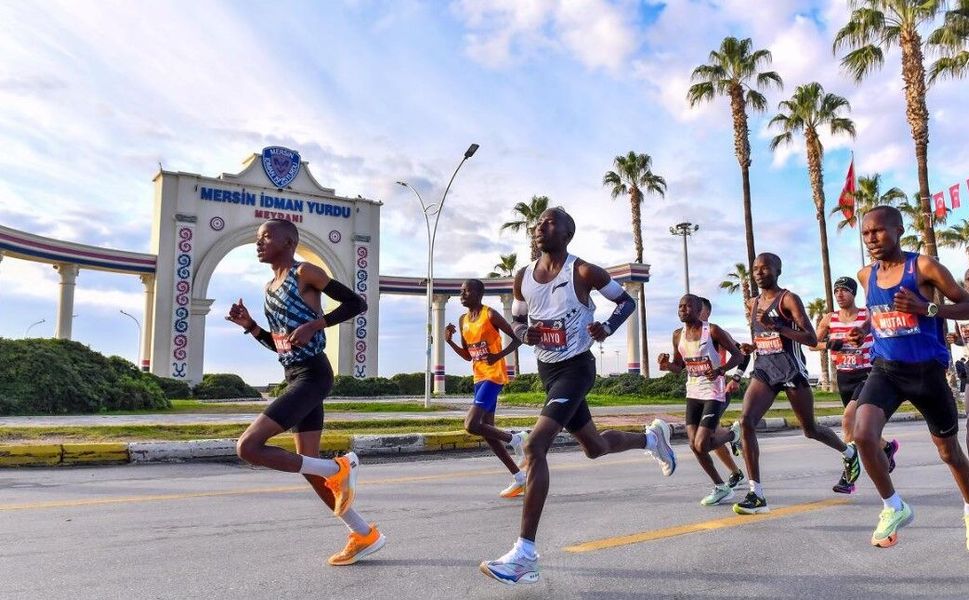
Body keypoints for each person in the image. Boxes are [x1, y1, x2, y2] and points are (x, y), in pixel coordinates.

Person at [479, 207, 676, 585]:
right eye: (538, 223)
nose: (541, 226)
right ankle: (652, 438)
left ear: (568, 233)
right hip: (548, 371)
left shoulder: (583, 272)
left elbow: (627, 303)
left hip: (577, 368)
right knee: (595, 447)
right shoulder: (523, 277)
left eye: (550, 222)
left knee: (535, 447)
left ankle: (524, 555)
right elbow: (518, 322)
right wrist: (523, 335)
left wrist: (606, 327)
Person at [225, 219, 382, 566]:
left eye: (266, 237)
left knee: (248, 447)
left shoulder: (305, 272)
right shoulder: (269, 288)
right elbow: (282, 344)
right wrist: (251, 326)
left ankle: (338, 468)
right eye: (257, 238)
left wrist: (317, 323)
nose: (259, 243)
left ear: (288, 241)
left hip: (314, 374)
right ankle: (363, 533)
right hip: (294, 373)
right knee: (311, 470)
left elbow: (357, 304)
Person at [847, 206, 969, 550]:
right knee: (862, 434)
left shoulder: (924, 267)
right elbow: (880, 313)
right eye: (866, 233)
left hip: (927, 372)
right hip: (886, 370)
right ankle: (894, 506)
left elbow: (966, 304)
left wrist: (927, 308)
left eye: (879, 231)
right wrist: (862, 330)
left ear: (899, 230)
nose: (872, 238)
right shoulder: (866, 276)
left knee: (950, 454)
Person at [731, 253, 859, 515]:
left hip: (791, 370)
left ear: (778, 270)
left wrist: (778, 326)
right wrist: (751, 346)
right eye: (755, 268)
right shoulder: (753, 303)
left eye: (765, 268)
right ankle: (757, 493)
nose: (758, 272)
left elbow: (811, 339)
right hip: (764, 370)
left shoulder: (788, 299)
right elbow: (763, 335)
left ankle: (848, 452)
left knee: (810, 429)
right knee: (745, 422)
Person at [810, 276, 899, 493]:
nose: (840, 294)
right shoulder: (829, 319)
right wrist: (829, 344)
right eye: (836, 291)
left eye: (844, 290)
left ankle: (848, 478)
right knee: (860, 427)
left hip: (868, 373)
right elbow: (812, 343)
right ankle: (887, 447)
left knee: (849, 418)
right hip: (844, 376)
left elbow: (886, 330)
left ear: (853, 293)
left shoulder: (866, 315)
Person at [445, 278, 527, 498]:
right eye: (460, 291)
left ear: (478, 294)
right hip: (478, 377)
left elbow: (517, 338)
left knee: (472, 424)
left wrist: (498, 355)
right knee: (488, 432)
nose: (461, 295)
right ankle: (520, 478)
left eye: (466, 291)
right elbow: (467, 355)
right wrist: (449, 341)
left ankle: (517, 439)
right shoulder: (463, 319)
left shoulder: (489, 314)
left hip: (494, 376)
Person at [658, 294, 744, 506]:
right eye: (680, 306)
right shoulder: (678, 335)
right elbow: (679, 368)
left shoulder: (712, 331)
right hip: (692, 393)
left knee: (702, 444)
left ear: (699, 310)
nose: (682, 310)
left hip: (713, 393)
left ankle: (733, 434)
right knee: (694, 445)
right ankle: (720, 486)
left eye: (687, 306)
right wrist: (667, 365)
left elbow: (739, 355)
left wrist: (721, 370)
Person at [699, 296, 749, 490]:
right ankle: (735, 469)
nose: (693, 311)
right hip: (698, 392)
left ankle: (732, 437)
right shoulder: (688, 334)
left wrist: (736, 378)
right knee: (709, 434)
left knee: (708, 433)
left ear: (707, 313)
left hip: (718, 390)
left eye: (699, 308)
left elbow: (743, 354)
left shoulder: (715, 332)